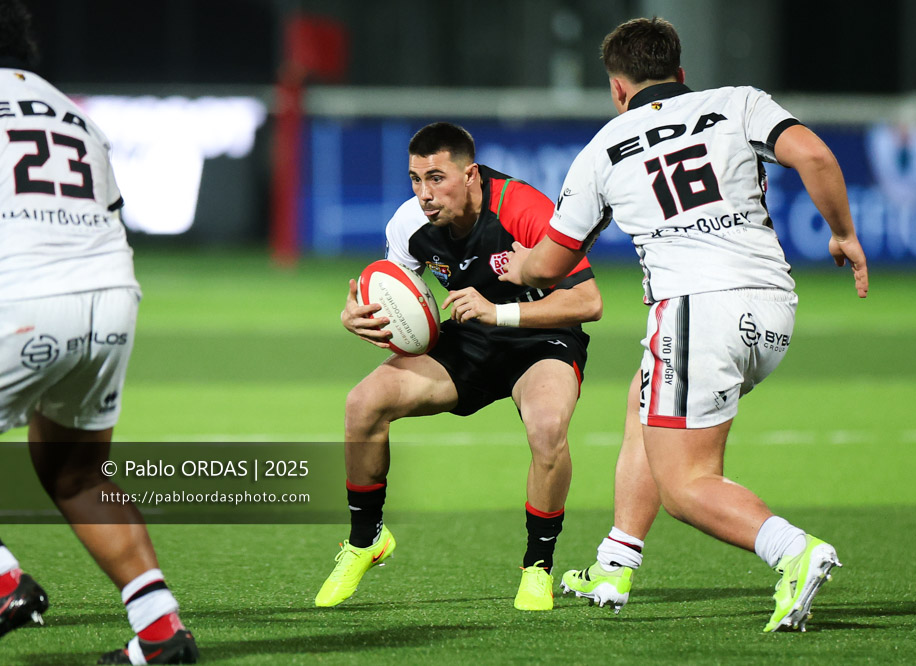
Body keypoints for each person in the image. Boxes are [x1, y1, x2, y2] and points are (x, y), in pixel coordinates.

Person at [500, 17, 868, 631]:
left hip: (698, 311)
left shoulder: (603, 150)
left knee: (687, 485)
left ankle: (793, 551)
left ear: (618, 89)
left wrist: (517, 269)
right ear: (681, 75)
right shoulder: (737, 103)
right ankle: (616, 561)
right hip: (771, 308)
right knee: (644, 402)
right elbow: (816, 156)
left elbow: (554, 260)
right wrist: (843, 234)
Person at [315, 122, 602, 612]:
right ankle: (366, 542)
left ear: (470, 174)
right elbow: (402, 305)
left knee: (548, 427)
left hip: (540, 337)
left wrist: (499, 312)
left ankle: (537, 568)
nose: (424, 194)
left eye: (436, 178)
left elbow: (588, 301)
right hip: (468, 339)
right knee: (363, 403)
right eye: (414, 179)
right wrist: (360, 317)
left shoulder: (524, 209)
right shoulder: (409, 225)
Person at [0, 1, 198, 662]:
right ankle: (160, 632)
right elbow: (107, 210)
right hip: (110, 298)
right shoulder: (69, 110)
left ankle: (4, 584)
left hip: (21, 297)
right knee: (75, 474)